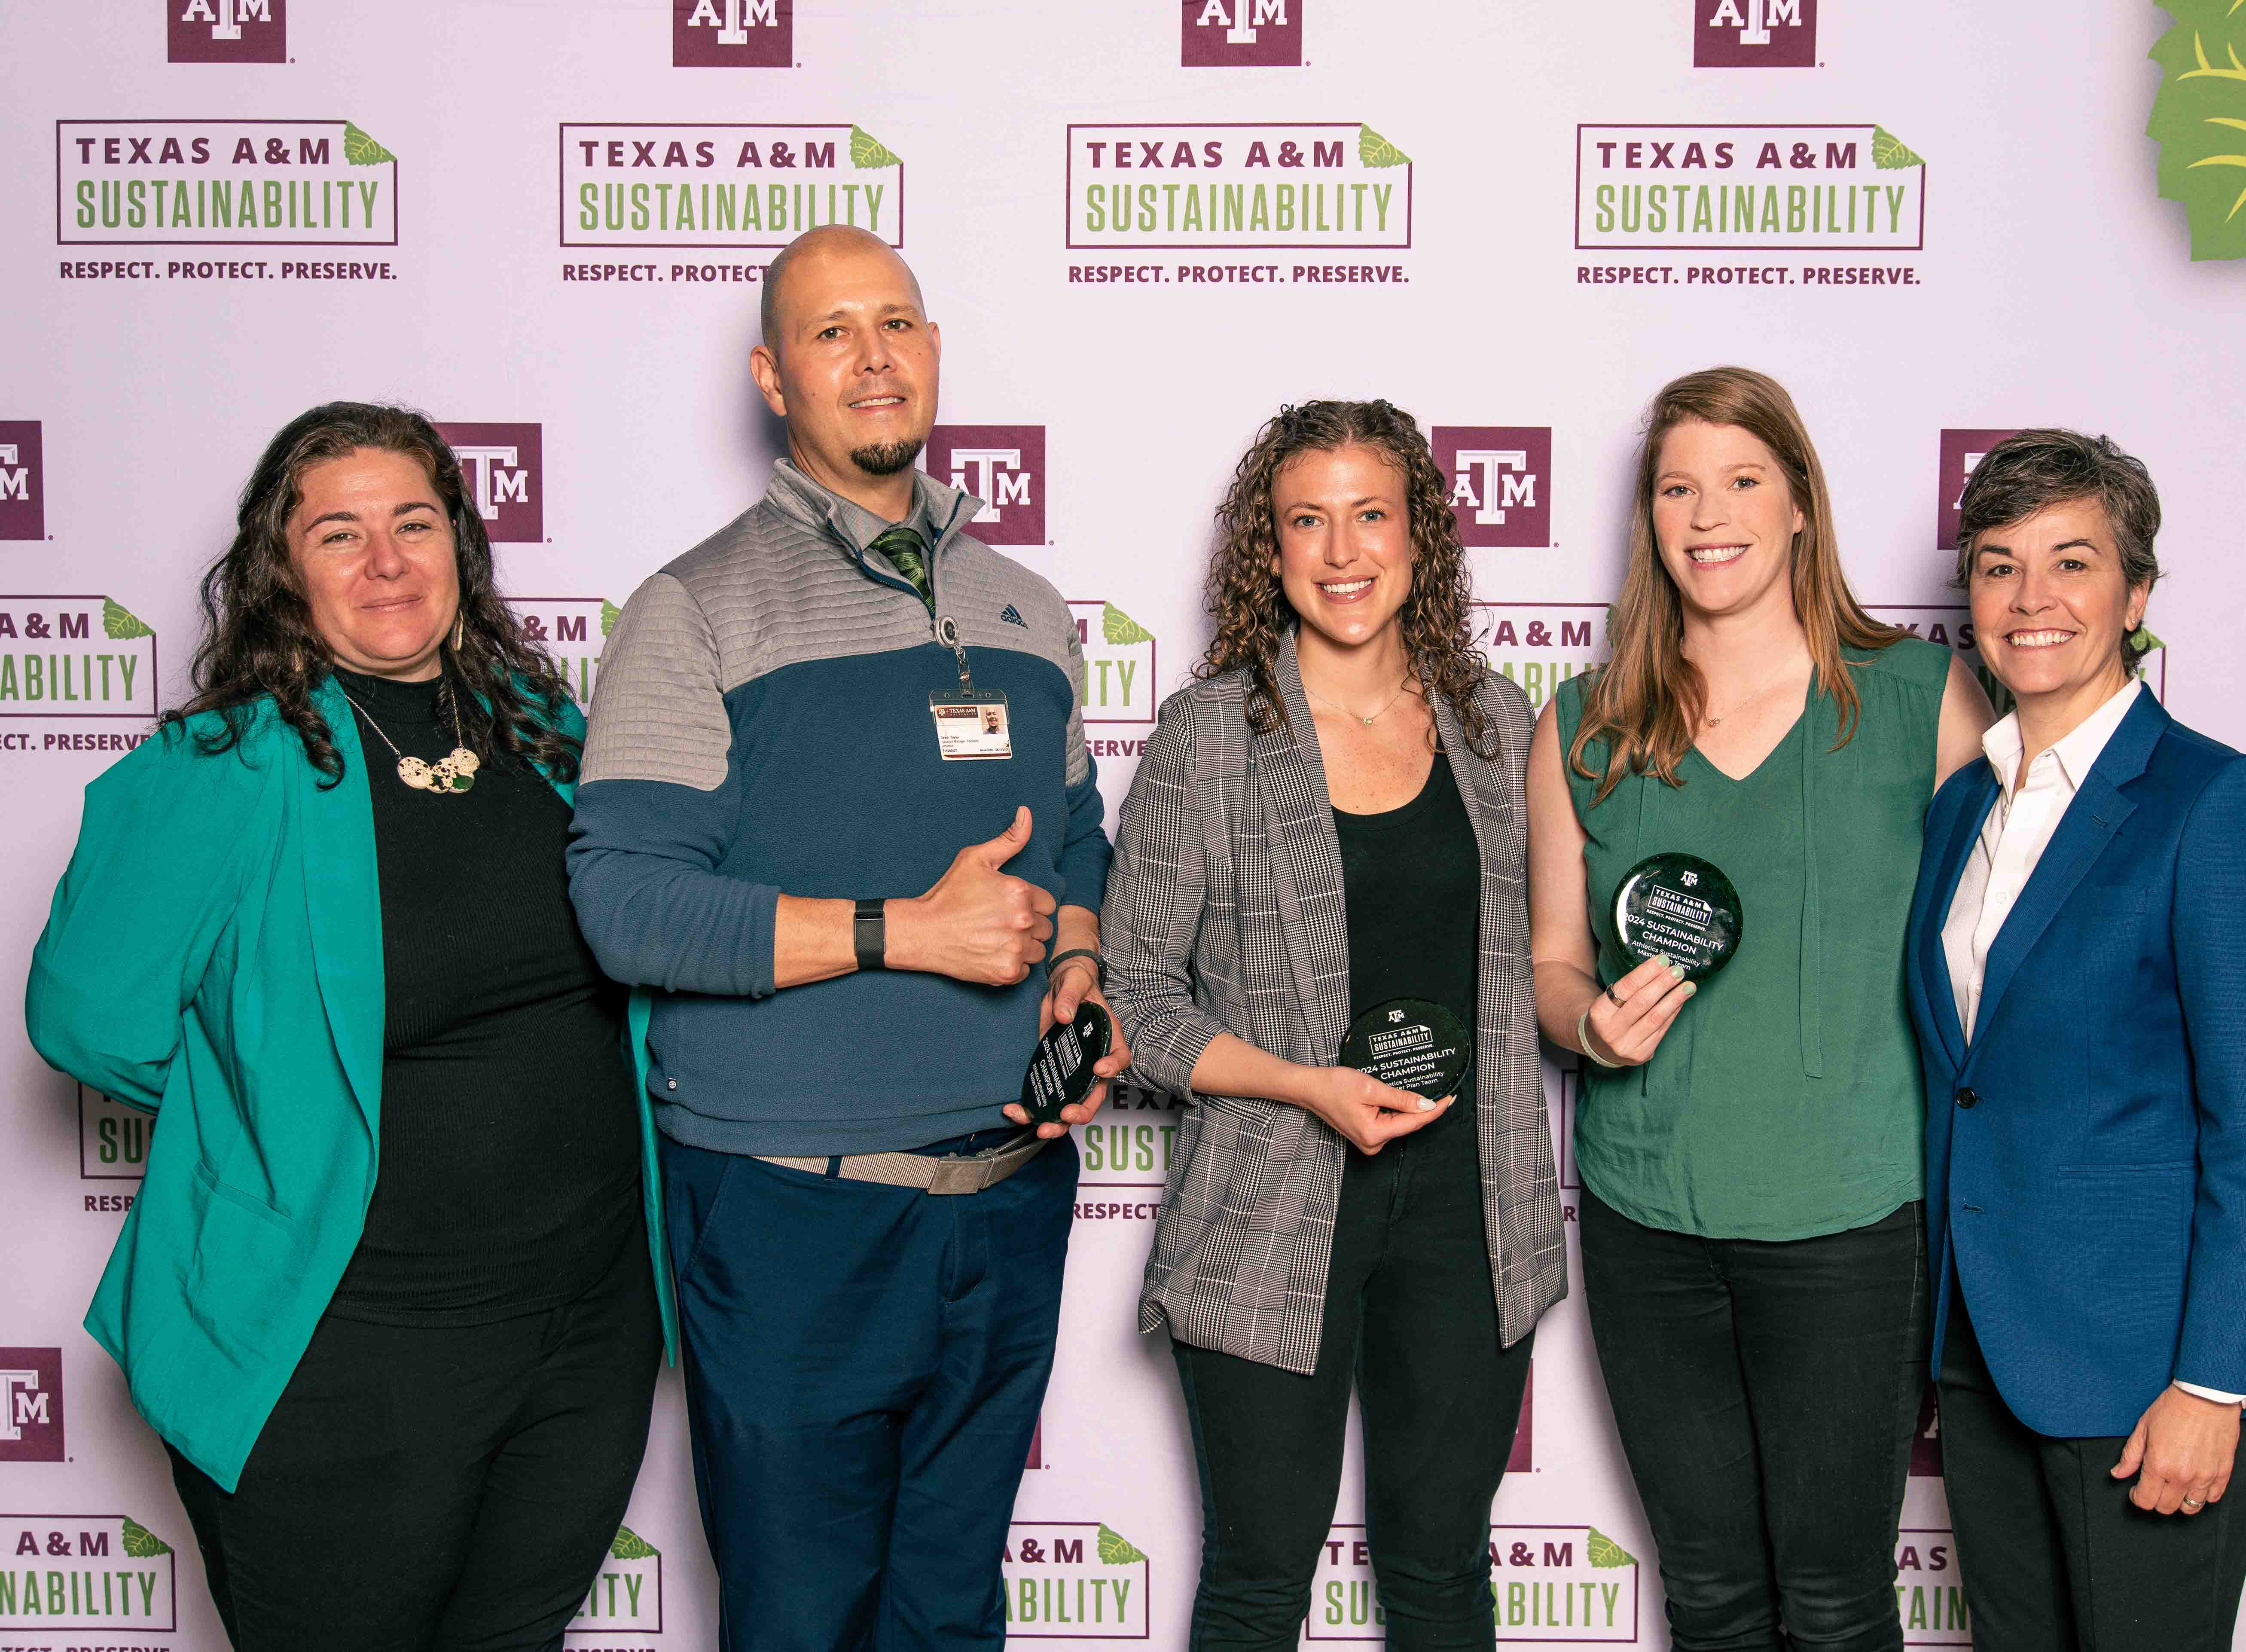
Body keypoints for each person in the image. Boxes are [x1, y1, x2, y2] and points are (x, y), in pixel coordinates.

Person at [25, 401, 669, 1652]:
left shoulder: (551, 736)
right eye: (339, 534)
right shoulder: (226, 766)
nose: (386, 562)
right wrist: (271, 1086)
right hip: (348, 1351)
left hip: (582, 1328)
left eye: (414, 523)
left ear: (459, 547)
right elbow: (85, 1012)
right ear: (283, 571)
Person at [565, 226, 1122, 1652]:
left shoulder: (1028, 607)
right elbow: (626, 906)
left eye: (900, 323)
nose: (874, 356)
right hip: (790, 1210)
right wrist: (902, 933)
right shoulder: (696, 612)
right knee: (800, 1621)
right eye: (831, 332)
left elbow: (1073, 849)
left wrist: (1077, 966)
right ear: (772, 375)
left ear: (935, 353)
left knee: (949, 1618)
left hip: (1007, 1197)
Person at [1527, 366, 1993, 1652]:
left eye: (1742, 479)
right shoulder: (1586, 722)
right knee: (1714, 1597)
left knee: (1839, 1604)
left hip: (1850, 1226)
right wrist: (1584, 1024)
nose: (1709, 512)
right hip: (1647, 1225)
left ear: (1800, 506)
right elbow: (1551, 963)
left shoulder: (1922, 699)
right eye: (1678, 486)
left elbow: (2005, 964)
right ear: (1649, 518)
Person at [1103, 399, 1566, 1652]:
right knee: (1258, 1583)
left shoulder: (1495, 725)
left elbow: (1551, 956)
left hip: (1472, 1213)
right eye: (1309, 520)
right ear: (1272, 546)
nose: (1344, 550)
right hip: (1270, 1202)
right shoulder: (1213, 734)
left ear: (1422, 540)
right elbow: (1134, 994)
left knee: (1440, 1575)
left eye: (1373, 515)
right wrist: (1307, 1085)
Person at [1903, 429, 2246, 1651]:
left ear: (2135, 596)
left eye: (2071, 563)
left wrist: (2213, 1384)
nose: (2032, 601)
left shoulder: (2215, 804)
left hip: (2153, 1373)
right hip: (1986, 1358)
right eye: (1997, 566)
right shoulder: (1962, 806)